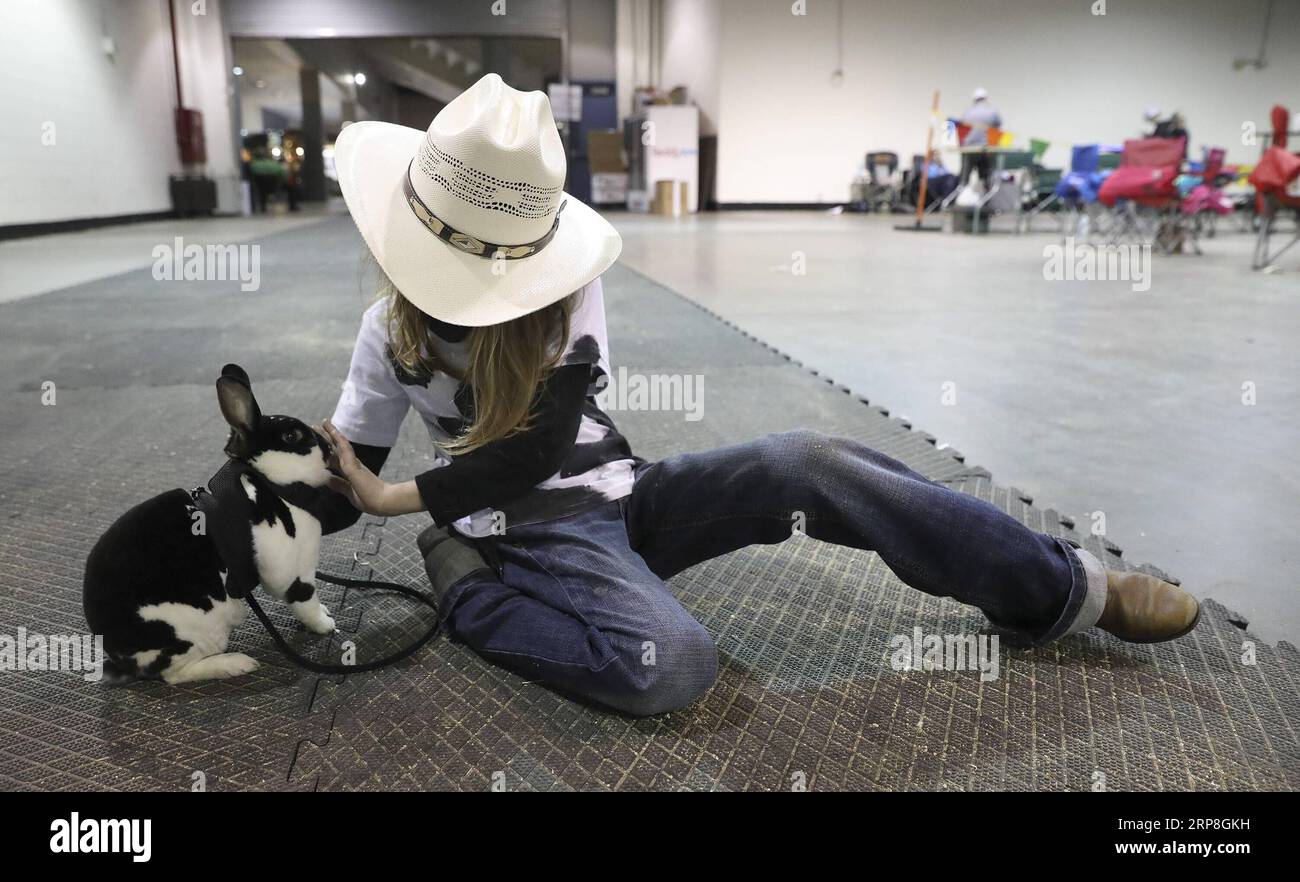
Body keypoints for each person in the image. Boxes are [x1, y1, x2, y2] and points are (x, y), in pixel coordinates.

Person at [318, 74, 1200, 718]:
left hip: (626, 496)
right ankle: (469, 593)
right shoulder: (383, 336)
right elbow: (343, 491)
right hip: (527, 541)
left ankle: (1063, 591)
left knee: (805, 459)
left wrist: (399, 498)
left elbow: (546, 445)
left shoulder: (559, 286)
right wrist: (260, 498)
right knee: (671, 666)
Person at [960, 87, 1002, 185]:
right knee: (986, 178)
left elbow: (962, 131)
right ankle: (987, 197)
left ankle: (959, 196)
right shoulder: (992, 112)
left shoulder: (967, 113)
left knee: (964, 178)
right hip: (985, 149)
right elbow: (998, 126)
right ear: (986, 99)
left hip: (969, 150)